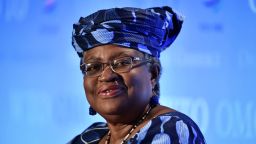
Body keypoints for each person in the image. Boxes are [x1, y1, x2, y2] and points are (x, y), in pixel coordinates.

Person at [68, 6, 206, 144]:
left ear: (153, 74)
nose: (106, 76)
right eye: (94, 67)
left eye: (122, 63)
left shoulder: (171, 129)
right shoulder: (88, 138)